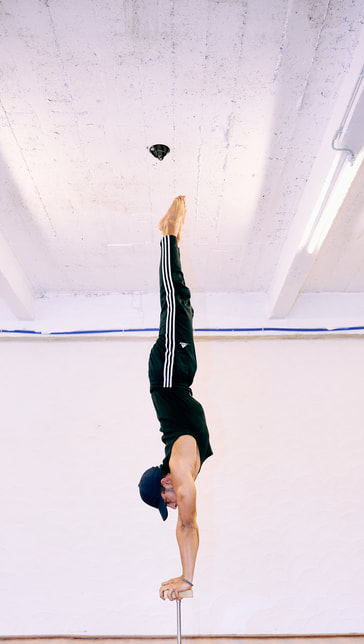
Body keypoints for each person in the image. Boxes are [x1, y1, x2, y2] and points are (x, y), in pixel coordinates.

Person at [138, 196, 213, 601]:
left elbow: (186, 524)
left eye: (165, 498)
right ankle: (172, 240)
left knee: (174, 299)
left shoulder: (179, 468)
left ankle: (168, 234)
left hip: (169, 377)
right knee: (182, 304)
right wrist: (187, 578)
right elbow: (187, 523)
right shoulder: (182, 467)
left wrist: (186, 578)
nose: (173, 501)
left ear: (164, 482)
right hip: (177, 376)